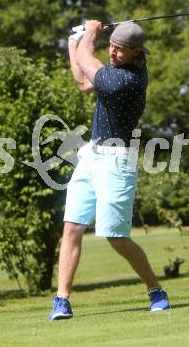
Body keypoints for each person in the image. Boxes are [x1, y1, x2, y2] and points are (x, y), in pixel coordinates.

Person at [49, 20, 170, 320]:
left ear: (137, 53)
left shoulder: (127, 81)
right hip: (92, 155)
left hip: (118, 161)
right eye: (112, 47)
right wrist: (72, 43)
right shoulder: (113, 71)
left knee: (115, 237)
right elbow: (83, 81)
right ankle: (62, 299)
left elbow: (89, 64)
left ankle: (156, 289)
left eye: (121, 50)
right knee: (72, 226)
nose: (114, 53)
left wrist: (89, 33)